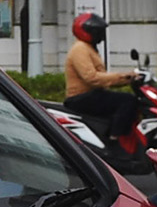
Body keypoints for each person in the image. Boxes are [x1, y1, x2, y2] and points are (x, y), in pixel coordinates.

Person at [62, 10, 146, 144]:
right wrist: (124, 76)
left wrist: (127, 79)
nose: (101, 35)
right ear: (87, 31)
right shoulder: (80, 49)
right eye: (98, 31)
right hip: (80, 98)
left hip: (91, 94)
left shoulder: (89, 48)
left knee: (124, 101)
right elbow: (92, 78)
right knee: (128, 101)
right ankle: (114, 140)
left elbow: (103, 80)